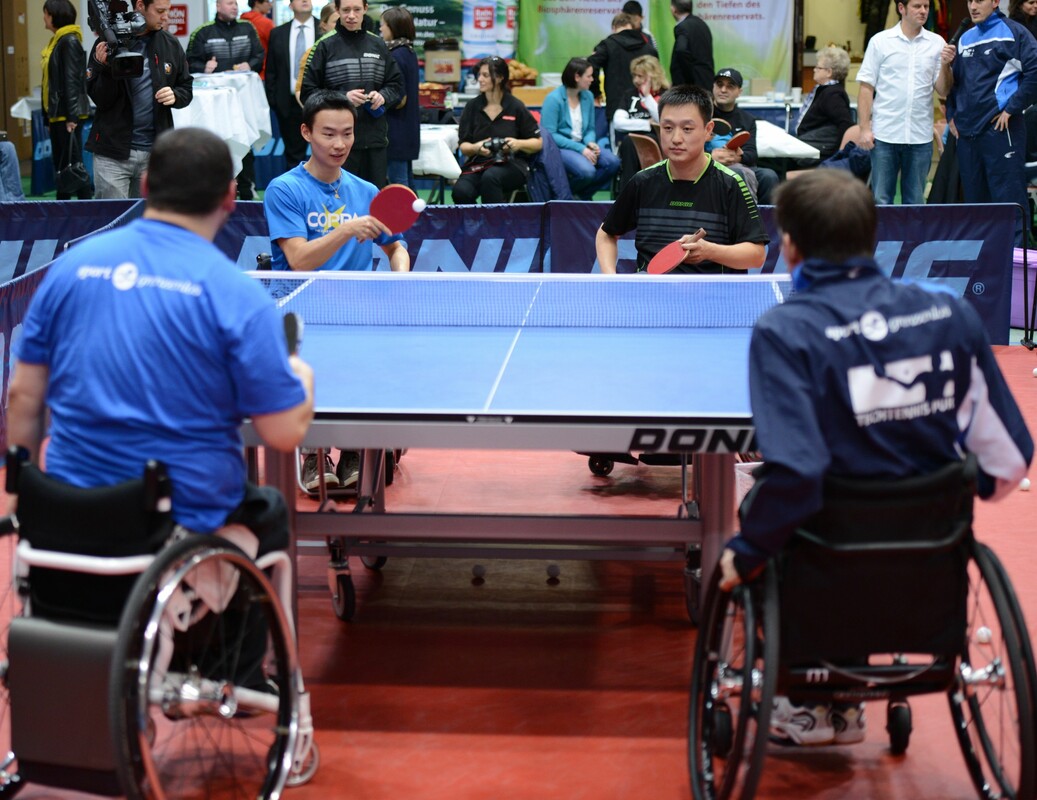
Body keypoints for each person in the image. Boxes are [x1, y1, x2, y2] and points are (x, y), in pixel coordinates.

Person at [717, 168, 1033, 745]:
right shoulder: (948, 314)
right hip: (930, 547)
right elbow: (1010, 459)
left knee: (757, 498)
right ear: (872, 237)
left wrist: (747, 550)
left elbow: (799, 473)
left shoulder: (786, 330)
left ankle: (809, 706)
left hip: (825, 549)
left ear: (790, 245)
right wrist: (963, 487)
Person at [7, 127, 315, 558]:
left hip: (67, 517)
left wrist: (26, 495)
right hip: (178, 526)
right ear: (230, 198)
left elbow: (22, 396)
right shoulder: (239, 294)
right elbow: (282, 433)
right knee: (270, 512)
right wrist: (299, 371)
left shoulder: (69, 268)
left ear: (146, 185)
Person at [263, 91, 409, 490]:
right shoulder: (284, 189)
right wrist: (345, 229)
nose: (339, 143)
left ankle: (354, 450)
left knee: (369, 369)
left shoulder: (365, 190)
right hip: (301, 311)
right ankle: (313, 454)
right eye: (328, 134)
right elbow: (298, 259)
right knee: (310, 378)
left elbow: (396, 247)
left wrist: (399, 277)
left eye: (347, 133)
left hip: (353, 311)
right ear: (306, 132)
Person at [595, 84, 769, 274]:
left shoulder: (731, 184)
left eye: (687, 128)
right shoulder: (642, 181)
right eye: (668, 128)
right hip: (650, 289)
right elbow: (606, 234)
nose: (676, 138)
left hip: (711, 291)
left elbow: (756, 255)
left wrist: (710, 251)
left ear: (708, 130)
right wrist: (611, 278)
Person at [939, 0, 1037, 247]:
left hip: (1001, 131)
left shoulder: (1014, 32)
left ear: (995, 2)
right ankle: (984, 263)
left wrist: (1012, 108)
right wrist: (952, 114)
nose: (973, 6)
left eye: (979, 0)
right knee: (977, 205)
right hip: (968, 135)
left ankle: (1016, 262)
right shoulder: (964, 38)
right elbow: (955, 84)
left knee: (1009, 201)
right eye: (970, 1)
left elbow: (1035, 71)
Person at [86, 0, 193, 200]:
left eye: (168, 11)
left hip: (155, 153)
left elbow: (186, 87)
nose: (166, 17)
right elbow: (100, 99)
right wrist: (104, 68)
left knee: (149, 217)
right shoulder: (108, 41)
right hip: (112, 154)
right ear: (141, 6)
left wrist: (175, 95)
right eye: (160, 11)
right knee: (113, 217)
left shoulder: (170, 44)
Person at [299, 0, 404, 188]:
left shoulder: (378, 44)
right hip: (337, 145)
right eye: (346, 10)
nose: (351, 16)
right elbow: (307, 93)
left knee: (374, 200)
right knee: (338, 199)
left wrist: (383, 97)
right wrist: (343, 98)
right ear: (337, 10)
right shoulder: (324, 45)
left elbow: (396, 85)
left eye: (357, 9)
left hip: (374, 140)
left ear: (365, 9)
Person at [856, 0, 946, 205]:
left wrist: (946, 66)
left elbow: (943, 90)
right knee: (881, 200)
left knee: (915, 202)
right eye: (917, 6)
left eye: (926, 6)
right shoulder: (880, 41)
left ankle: (912, 230)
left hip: (919, 136)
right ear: (901, 8)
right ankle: (882, 230)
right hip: (885, 134)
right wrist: (864, 128)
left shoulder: (937, 43)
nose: (923, 11)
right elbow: (866, 87)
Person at [186, 0, 265, 199]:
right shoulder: (202, 32)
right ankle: (216, 193)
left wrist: (251, 64)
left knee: (244, 142)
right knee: (216, 145)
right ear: (218, 6)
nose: (235, 7)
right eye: (230, 3)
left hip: (244, 101)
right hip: (214, 106)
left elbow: (259, 55)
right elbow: (190, 62)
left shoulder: (248, 28)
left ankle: (247, 191)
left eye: (236, 3)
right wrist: (204, 67)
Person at [452, 56, 542, 205]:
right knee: (461, 191)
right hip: (479, 163)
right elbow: (464, 146)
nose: (480, 79)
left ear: (500, 78)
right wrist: (476, 148)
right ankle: (474, 220)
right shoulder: (472, 107)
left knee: (491, 177)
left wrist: (518, 144)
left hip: (512, 163)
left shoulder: (515, 106)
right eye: (479, 75)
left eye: (485, 75)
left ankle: (494, 220)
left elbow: (537, 143)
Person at [540, 57, 621, 200]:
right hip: (559, 148)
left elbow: (590, 129)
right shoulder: (553, 99)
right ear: (577, 77)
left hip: (582, 145)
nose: (592, 80)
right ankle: (566, 197)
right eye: (589, 76)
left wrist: (590, 143)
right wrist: (581, 149)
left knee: (613, 163)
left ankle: (578, 195)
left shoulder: (588, 96)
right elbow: (550, 135)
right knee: (587, 171)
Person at [42, 0, 92, 200]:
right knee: (64, 165)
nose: (44, 18)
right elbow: (50, 82)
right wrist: (48, 117)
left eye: (46, 14)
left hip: (66, 116)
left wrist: (71, 117)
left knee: (73, 165)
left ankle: (86, 207)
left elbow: (72, 81)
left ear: (54, 16)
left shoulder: (68, 41)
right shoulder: (58, 41)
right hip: (59, 115)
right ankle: (64, 207)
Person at [709, 67, 780, 204]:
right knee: (739, 174)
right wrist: (709, 156)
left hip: (738, 165)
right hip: (708, 165)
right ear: (713, 87)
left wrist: (738, 157)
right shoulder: (703, 113)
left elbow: (751, 153)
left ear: (739, 92)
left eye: (730, 86)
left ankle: (764, 216)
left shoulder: (747, 119)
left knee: (769, 176)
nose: (723, 90)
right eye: (719, 84)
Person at [266, 0, 317, 174]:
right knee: (293, 156)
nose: (305, 0)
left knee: (324, 153)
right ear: (290, 5)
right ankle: (295, 188)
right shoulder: (278, 33)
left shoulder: (324, 30)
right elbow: (271, 70)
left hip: (319, 102)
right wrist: (274, 100)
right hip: (287, 103)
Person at [588, 12, 658, 126]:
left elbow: (591, 65)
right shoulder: (649, 48)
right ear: (632, 26)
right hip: (645, 107)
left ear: (614, 28)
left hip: (616, 107)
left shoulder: (607, 45)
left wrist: (595, 93)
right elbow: (657, 75)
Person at [611, 54, 668, 190]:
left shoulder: (666, 94)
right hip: (632, 140)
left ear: (652, 76)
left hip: (657, 140)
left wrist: (647, 96)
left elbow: (663, 120)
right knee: (629, 141)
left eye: (640, 76)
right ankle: (628, 191)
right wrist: (647, 124)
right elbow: (618, 122)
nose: (636, 80)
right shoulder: (630, 94)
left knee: (636, 142)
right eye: (634, 75)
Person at [791, 45, 854, 162]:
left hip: (813, 151)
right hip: (807, 145)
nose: (814, 70)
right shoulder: (824, 90)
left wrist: (838, 155)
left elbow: (845, 124)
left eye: (818, 67)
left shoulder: (833, 95)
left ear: (829, 72)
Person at [380, 6, 420, 188]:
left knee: (399, 185)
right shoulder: (409, 52)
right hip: (407, 128)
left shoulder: (395, 55)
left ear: (393, 27)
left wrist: (378, 98)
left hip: (396, 129)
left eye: (383, 24)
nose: (380, 28)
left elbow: (399, 98)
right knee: (407, 182)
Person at [669, 0, 714, 92]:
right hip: (706, 82)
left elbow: (681, 50)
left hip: (690, 87)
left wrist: (688, 78)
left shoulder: (682, 27)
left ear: (673, 9)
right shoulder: (702, 24)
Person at [241, 0, 274, 77]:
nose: (270, 5)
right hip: (263, 71)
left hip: (243, 70)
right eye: (267, 1)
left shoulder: (241, 21)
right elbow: (277, 48)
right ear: (257, 3)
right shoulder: (266, 23)